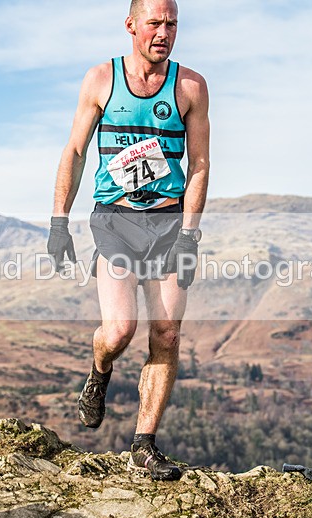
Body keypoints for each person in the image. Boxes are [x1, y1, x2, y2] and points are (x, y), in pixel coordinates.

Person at [46, 0, 210, 481]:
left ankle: (144, 443)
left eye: (172, 23)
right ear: (131, 25)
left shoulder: (191, 87)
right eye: (155, 23)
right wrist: (59, 222)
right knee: (119, 330)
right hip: (115, 220)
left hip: (167, 222)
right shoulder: (101, 80)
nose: (164, 32)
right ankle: (99, 372)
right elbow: (75, 151)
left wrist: (190, 235)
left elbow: (199, 164)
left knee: (167, 335)